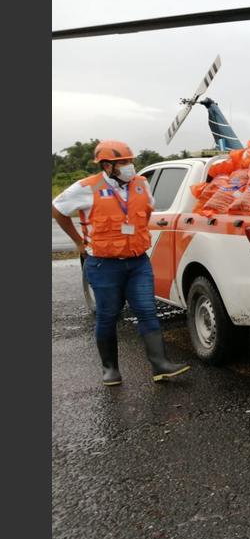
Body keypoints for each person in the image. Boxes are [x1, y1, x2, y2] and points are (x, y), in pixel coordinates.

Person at [52, 140, 191, 386]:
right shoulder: (86, 188)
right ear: (107, 166)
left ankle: (161, 365)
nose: (130, 166)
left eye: (130, 161)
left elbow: (146, 211)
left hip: (138, 262)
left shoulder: (141, 184)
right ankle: (110, 370)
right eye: (123, 162)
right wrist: (79, 242)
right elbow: (57, 209)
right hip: (103, 265)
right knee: (107, 315)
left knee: (147, 311)